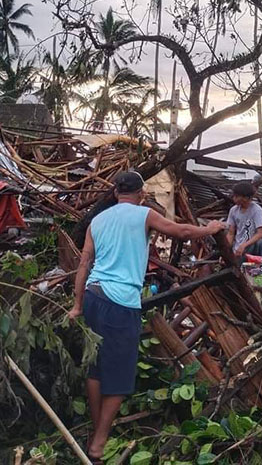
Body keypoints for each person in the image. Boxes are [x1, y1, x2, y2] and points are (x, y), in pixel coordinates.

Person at [68, 171, 226, 462]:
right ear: (141, 194)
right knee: (120, 372)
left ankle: (95, 429)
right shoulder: (144, 215)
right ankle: (99, 443)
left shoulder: (97, 221)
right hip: (120, 302)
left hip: (93, 295)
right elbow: (183, 232)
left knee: (96, 367)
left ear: (116, 193)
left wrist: (77, 306)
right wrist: (211, 228)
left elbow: (84, 263)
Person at [226, 181, 262, 258]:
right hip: (238, 250)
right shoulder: (233, 210)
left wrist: (245, 245)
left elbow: (260, 233)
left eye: (237, 196)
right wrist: (226, 252)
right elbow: (230, 233)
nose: (234, 198)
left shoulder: (256, 210)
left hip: (252, 248)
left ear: (246, 198)